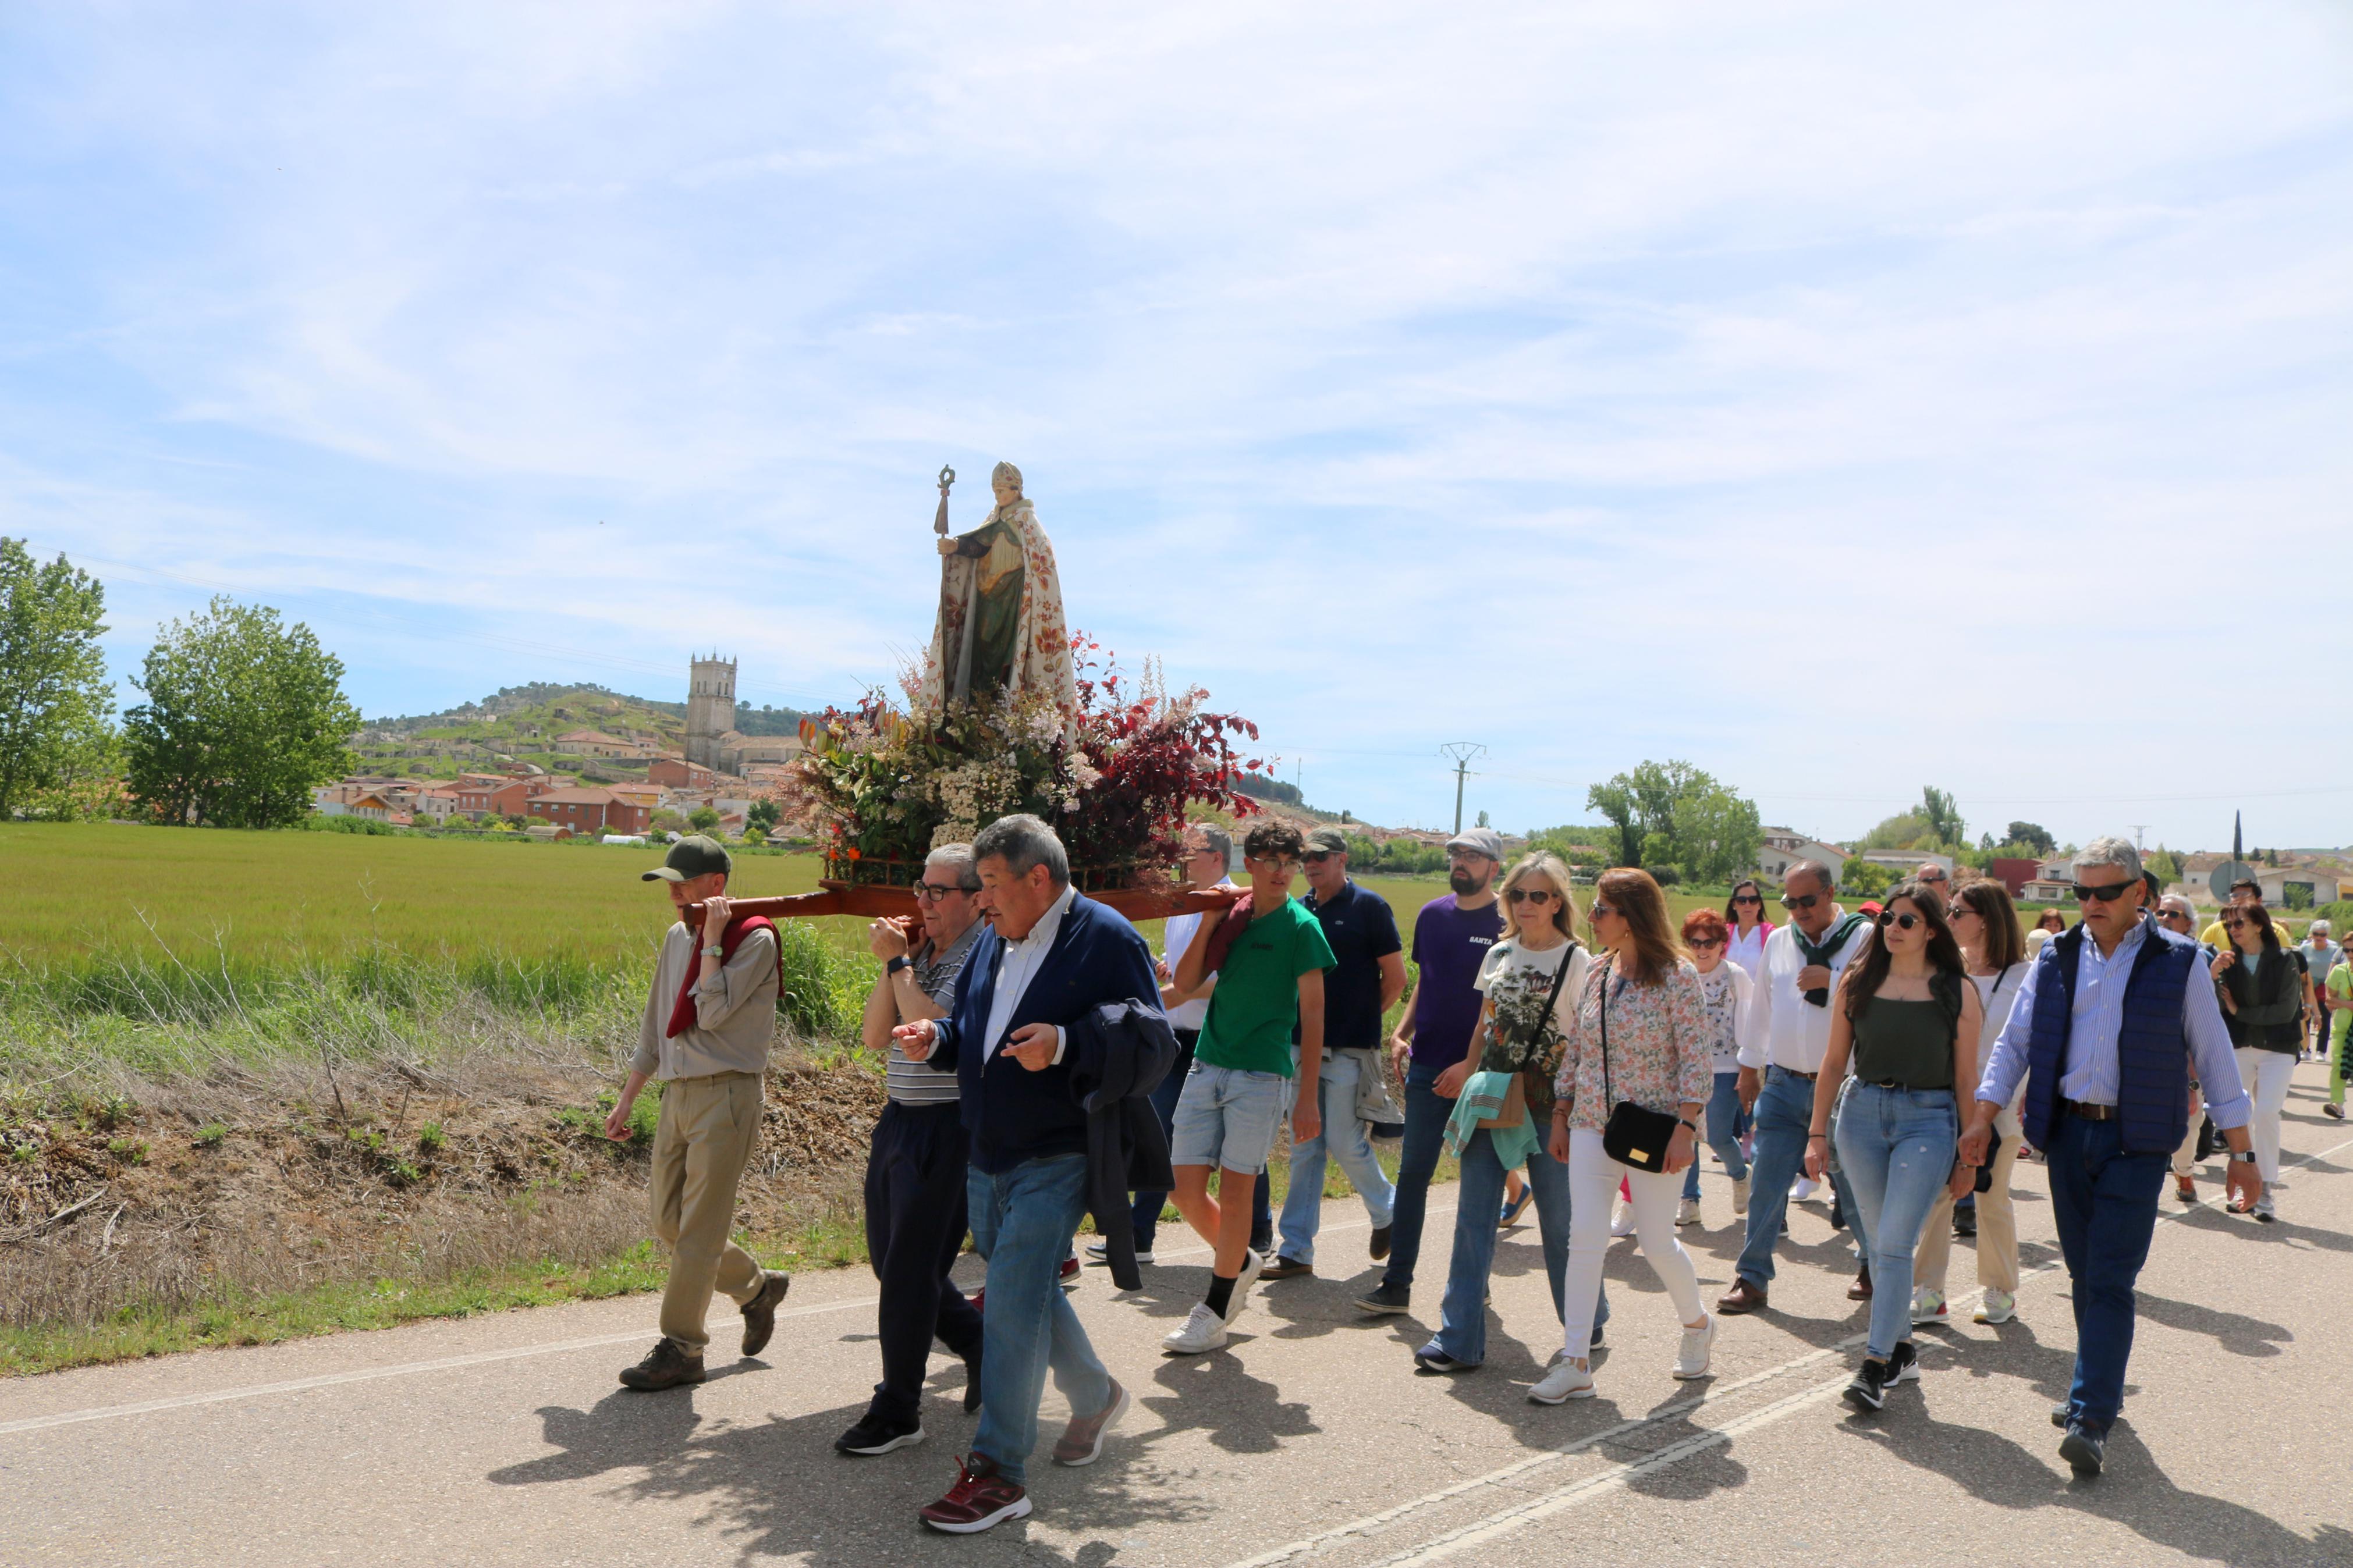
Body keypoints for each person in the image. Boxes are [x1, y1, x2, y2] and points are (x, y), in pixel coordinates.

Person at [892, 815, 1163, 1534]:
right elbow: (975, 1027)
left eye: (989, 885)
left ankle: (1000, 1474)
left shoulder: (1106, 938)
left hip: (1060, 1151)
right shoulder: (994, 938)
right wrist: (937, 1038)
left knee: (1009, 1299)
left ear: (1036, 879)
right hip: (986, 1150)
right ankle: (1095, 1392)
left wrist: (1068, 1041)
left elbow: (1152, 1041)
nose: (981, 901)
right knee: (1031, 1284)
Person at [1963, 837, 2259, 1477]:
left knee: (2109, 1279)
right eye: (2080, 892)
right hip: (2068, 1136)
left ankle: (2090, 1415)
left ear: (2137, 894)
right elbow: (2014, 1043)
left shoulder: (2179, 961)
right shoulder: (2057, 956)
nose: (2089, 904)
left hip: (2136, 1142)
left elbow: (2214, 1060)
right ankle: (2092, 1386)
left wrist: (2242, 1152)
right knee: (2081, 1274)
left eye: (2103, 892)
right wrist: (1982, 1115)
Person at [602, 835, 792, 1392]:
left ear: (716, 886)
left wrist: (712, 941)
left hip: (727, 1094)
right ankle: (756, 1287)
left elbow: (709, 1013)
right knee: (670, 1222)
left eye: (684, 883)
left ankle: (683, 1347)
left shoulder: (754, 938)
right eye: (670, 883)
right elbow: (657, 1021)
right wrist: (629, 1094)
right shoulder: (674, 936)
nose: (674, 893)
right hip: (678, 1093)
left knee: (699, 1231)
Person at [1412, 852, 1605, 1373]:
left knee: (1559, 1221)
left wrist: (1568, 1111)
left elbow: (1583, 1042)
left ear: (1558, 901)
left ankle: (1587, 1317)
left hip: (1549, 1105)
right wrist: (1467, 1068)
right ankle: (1458, 1338)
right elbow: (1484, 1023)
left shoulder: (1577, 961)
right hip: (1494, 1096)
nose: (1525, 904)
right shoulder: (1498, 953)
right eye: (1517, 894)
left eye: (1538, 895)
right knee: (1472, 1218)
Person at [1534, 867, 1715, 1402]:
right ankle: (1575, 1361)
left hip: (1655, 1128)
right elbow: (1578, 1049)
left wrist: (1685, 1128)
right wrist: (1562, 1114)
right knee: (1584, 1237)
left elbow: (1695, 1061)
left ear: (1631, 916)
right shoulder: (1597, 971)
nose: (1591, 918)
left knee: (1657, 1242)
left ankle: (1697, 1325)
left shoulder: (1678, 976)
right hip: (1591, 1121)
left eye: (1601, 909)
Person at [1804, 881, 1982, 1410]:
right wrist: (1816, 1133)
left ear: (1931, 930)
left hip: (1928, 1120)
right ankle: (1903, 1348)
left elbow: (1966, 1077)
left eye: (1906, 921)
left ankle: (1875, 1363)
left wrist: (1968, 1154)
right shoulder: (1856, 980)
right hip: (1858, 1116)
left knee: (1895, 1243)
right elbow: (1834, 1063)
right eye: (1887, 919)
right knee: (1880, 1242)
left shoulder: (1957, 989)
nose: (1892, 929)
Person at [1160, 820, 1332, 1353]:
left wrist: (1306, 1098)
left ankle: (1214, 1307)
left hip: (1260, 1075)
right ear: (1252, 865)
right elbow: (1186, 986)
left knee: (1236, 1195)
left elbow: (1314, 1013)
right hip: (1207, 1064)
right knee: (1181, 1188)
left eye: (1289, 862)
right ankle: (1241, 1262)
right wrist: (1211, 918)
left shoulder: (1303, 927)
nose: (1282, 872)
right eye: (1271, 861)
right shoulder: (1231, 917)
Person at [842, 843, 987, 1455]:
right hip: (900, 1119)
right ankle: (979, 1343)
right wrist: (896, 962)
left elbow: (929, 1032)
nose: (922, 902)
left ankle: (899, 1406)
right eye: (919, 889)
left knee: (907, 1272)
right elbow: (878, 1035)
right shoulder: (921, 950)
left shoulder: (980, 954)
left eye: (937, 891)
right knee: (892, 1262)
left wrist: (899, 962)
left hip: (950, 1125)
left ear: (976, 898)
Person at [1717, 861, 1877, 1315]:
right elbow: (1762, 1009)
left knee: (1849, 1181)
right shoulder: (1781, 940)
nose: (1799, 910)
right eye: (1790, 902)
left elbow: (1883, 998)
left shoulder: (1865, 938)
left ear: (1829, 893)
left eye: (1808, 900)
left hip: (1845, 1086)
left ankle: (1871, 1263)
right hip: (1785, 1081)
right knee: (1766, 1179)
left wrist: (1835, 981)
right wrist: (1748, 1069)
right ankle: (1751, 1278)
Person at [1358, 827, 1506, 1316]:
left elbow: (1505, 1006)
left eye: (1472, 855)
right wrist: (1401, 1031)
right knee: (1414, 1174)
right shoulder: (1431, 914)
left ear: (1494, 866)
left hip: (1482, 1074)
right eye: (1456, 854)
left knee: (1478, 1183)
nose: (1460, 862)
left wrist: (1471, 1064)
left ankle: (1473, 1283)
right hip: (1426, 1066)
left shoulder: (1508, 921)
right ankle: (1397, 1283)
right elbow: (1427, 982)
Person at [1087, 824, 1234, 1267]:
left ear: (1218, 857)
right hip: (1174, 1038)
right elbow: (1187, 967)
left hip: (1216, 1041)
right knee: (1157, 1134)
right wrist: (1166, 970)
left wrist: (1171, 993)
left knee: (1229, 1147)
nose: (1182, 861)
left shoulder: (1232, 905)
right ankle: (1139, 1233)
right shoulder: (1183, 903)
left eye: (1192, 853)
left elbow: (1226, 980)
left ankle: (1255, 1230)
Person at [1261, 827, 1404, 1279]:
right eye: (1306, 858)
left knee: (1343, 1139)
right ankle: (1296, 1251)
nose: (1311, 864)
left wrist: (1361, 1018)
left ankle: (1388, 1211)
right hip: (1299, 1047)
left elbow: (1396, 979)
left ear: (1342, 859)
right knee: (1306, 1147)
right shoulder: (1297, 910)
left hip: (1348, 1049)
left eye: (1321, 857)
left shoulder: (1370, 907)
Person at [1914, 879, 2031, 1327]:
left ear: (1987, 919)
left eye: (1958, 913)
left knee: (1991, 1194)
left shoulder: (2026, 976)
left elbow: (2034, 1045)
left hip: (2001, 1107)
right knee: (1938, 1195)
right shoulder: (1945, 970)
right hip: (1944, 1100)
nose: (1949, 921)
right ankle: (1929, 1291)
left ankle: (1999, 1289)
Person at [2214, 899, 2299, 1221]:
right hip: (2239, 1046)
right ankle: (2241, 1184)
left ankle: (2263, 1191)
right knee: (2238, 1118)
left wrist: (2241, 1012)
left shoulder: (2285, 960)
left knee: (2266, 1114)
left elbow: (2285, 1012)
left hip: (2279, 1049)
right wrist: (2213, 974)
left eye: (2239, 924)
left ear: (2259, 926)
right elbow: (2215, 1009)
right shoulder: (2228, 963)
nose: (2232, 930)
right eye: (2228, 926)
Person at [1677, 908, 1756, 1227]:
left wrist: (1749, 1069)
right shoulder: (1682, 974)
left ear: (1722, 943)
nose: (1702, 949)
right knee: (1687, 1135)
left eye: (1709, 942)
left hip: (1725, 1067)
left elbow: (1751, 1025)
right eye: (1695, 942)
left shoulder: (1734, 975)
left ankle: (1740, 1175)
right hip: (1686, 1068)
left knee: (1720, 1136)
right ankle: (1690, 1200)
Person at [2154, 894, 2217, 1198]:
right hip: (2147, 1052)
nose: (2164, 917)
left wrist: (2192, 1072)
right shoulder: (2140, 952)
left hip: (2187, 1054)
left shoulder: (2198, 958)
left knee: (2192, 1121)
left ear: (2189, 924)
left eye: (2173, 914)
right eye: (2161, 912)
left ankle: (2185, 1172)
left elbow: (2201, 1019)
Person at [1723, 879, 1776, 979]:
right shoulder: (1723, 933)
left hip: (1757, 994)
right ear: (1734, 905)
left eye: (1753, 900)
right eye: (1741, 901)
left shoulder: (1771, 934)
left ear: (1760, 904)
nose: (1747, 905)